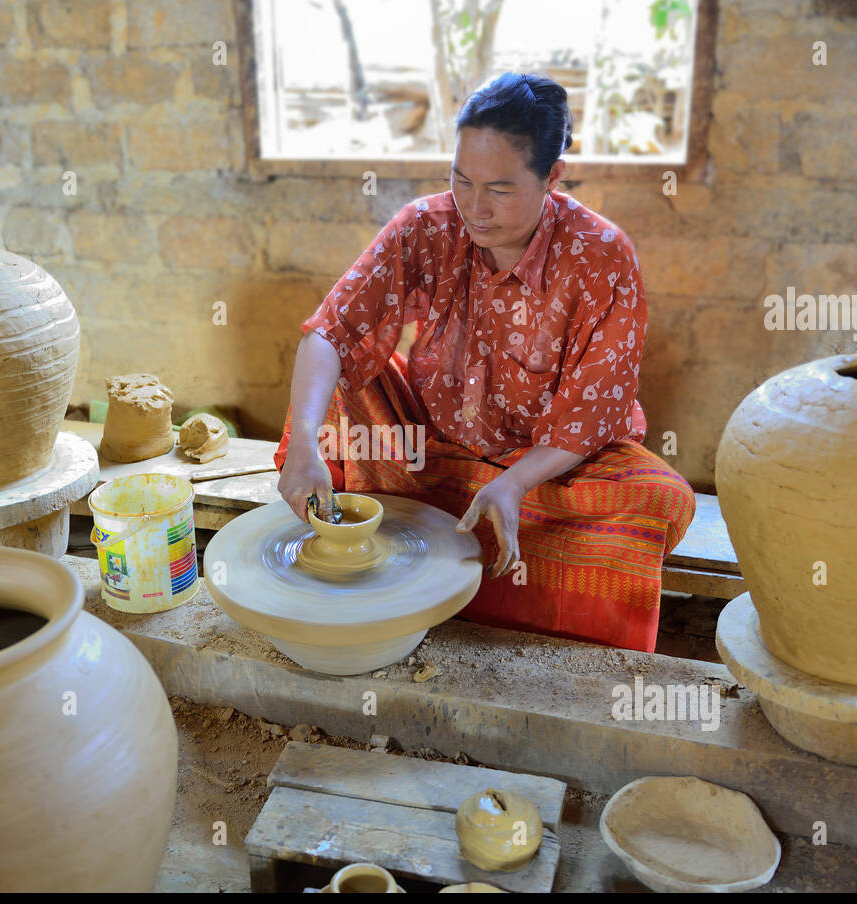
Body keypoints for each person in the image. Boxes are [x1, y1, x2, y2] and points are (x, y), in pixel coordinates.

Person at [274, 71, 695, 653]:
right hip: (430, 444)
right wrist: (302, 449)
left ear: (552, 176)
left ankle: (464, 533)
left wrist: (516, 483)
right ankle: (416, 520)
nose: (475, 207)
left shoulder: (601, 256)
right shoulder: (428, 223)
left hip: (549, 469)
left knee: (658, 498)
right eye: (461, 179)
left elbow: (588, 419)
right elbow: (330, 330)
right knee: (337, 378)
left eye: (499, 189)